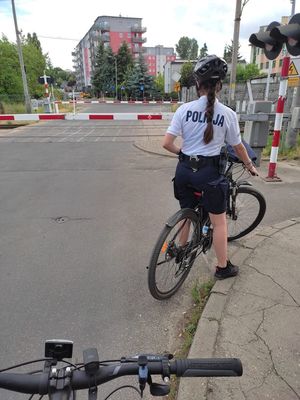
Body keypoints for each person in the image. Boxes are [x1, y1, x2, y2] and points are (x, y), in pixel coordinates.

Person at [162, 55, 258, 280]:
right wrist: (249, 165)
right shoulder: (228, 114)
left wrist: (184, 155)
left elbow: (166, 143)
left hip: (184, 172)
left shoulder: (183, 110)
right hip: (210, 176)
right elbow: (239, 147)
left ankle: (181, 247)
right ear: (220, 85)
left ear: (197, 84)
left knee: (187, 210)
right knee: (219, 221)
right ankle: (223, 267)